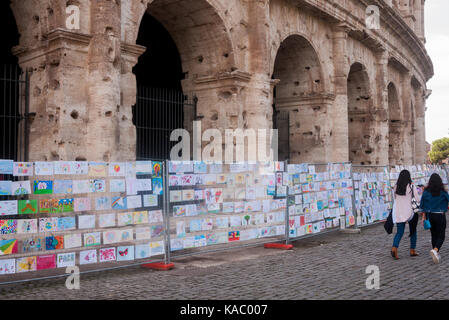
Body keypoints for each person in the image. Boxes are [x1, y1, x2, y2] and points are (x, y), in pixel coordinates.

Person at [391, 169, 421, 259]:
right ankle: (412, 250)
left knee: (399, 232)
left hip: (399, 212)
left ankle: (394, 248)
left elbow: (394, 198)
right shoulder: (411, 186)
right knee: (413, 231)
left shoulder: (395, 187)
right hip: (410, 212)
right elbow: (418, 199)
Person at [419, 173, 449, 264]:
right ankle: (435, 250)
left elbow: (422, 205)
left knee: (434, 234)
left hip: (430, 215)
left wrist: (423, 217)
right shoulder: (443, 192)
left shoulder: (426, 192)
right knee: (441, 235)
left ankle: (436, 253)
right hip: (440, 215)